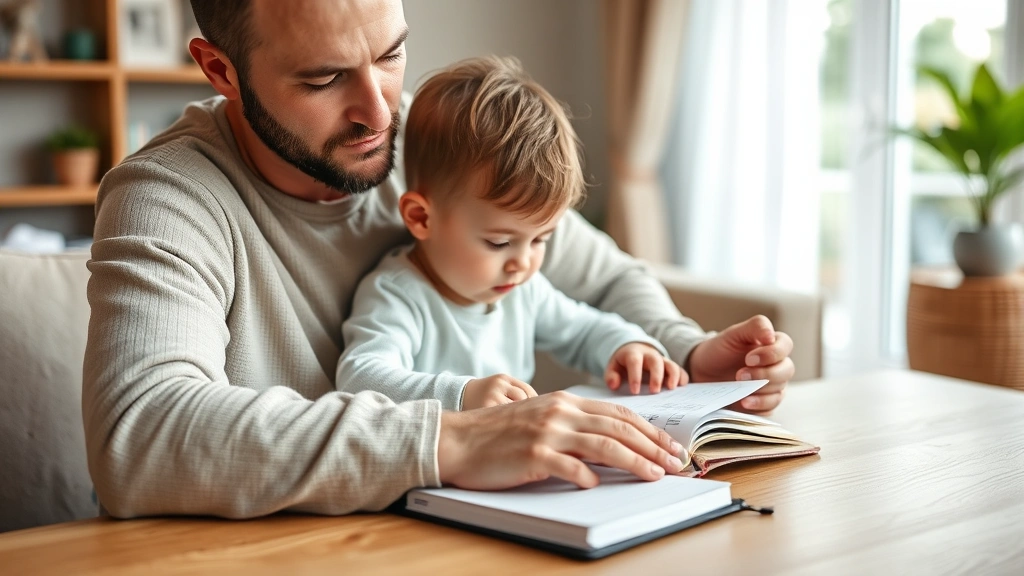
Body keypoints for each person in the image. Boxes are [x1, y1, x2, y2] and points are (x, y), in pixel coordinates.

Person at [82, 0, 794, 519]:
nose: (378, 110)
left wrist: (689, 352)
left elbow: (600, 274)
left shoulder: (430, 138)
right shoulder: (166, 197)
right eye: (325, 78)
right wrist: (447, 438)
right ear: (221, 70)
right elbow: (139, 436)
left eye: (390, 55)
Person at [337, 56, 685, 410]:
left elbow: (584, 329)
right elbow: (360, 375)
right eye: (499, 242)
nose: (522, 262)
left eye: (540, 239)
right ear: (421, 218)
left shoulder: (522, 291)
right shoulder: (398, 295)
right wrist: (462, 395)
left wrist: (628, 347)